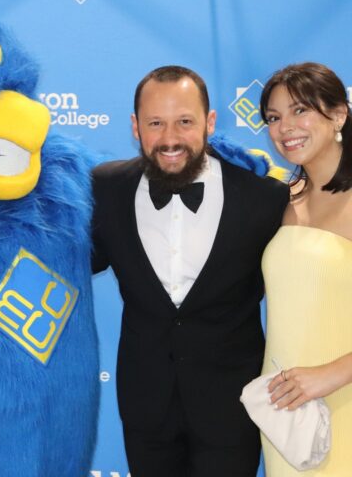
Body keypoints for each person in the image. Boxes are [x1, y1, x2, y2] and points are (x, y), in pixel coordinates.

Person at [91, 65, 289, 477]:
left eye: (184, 122)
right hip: (146, 409)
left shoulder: (265, 198)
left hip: (232, 410)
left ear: (209, 122)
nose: (169, 138)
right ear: (135, 126)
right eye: (155, 123)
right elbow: (68, 257)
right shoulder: (104, 188)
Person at [258, 62, 352, 476]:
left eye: (300, 111)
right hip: (286, 412)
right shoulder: (279, 197)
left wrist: (330, 375)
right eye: (274, 118)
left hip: (343, 393)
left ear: (338, 114)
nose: (285, 128)